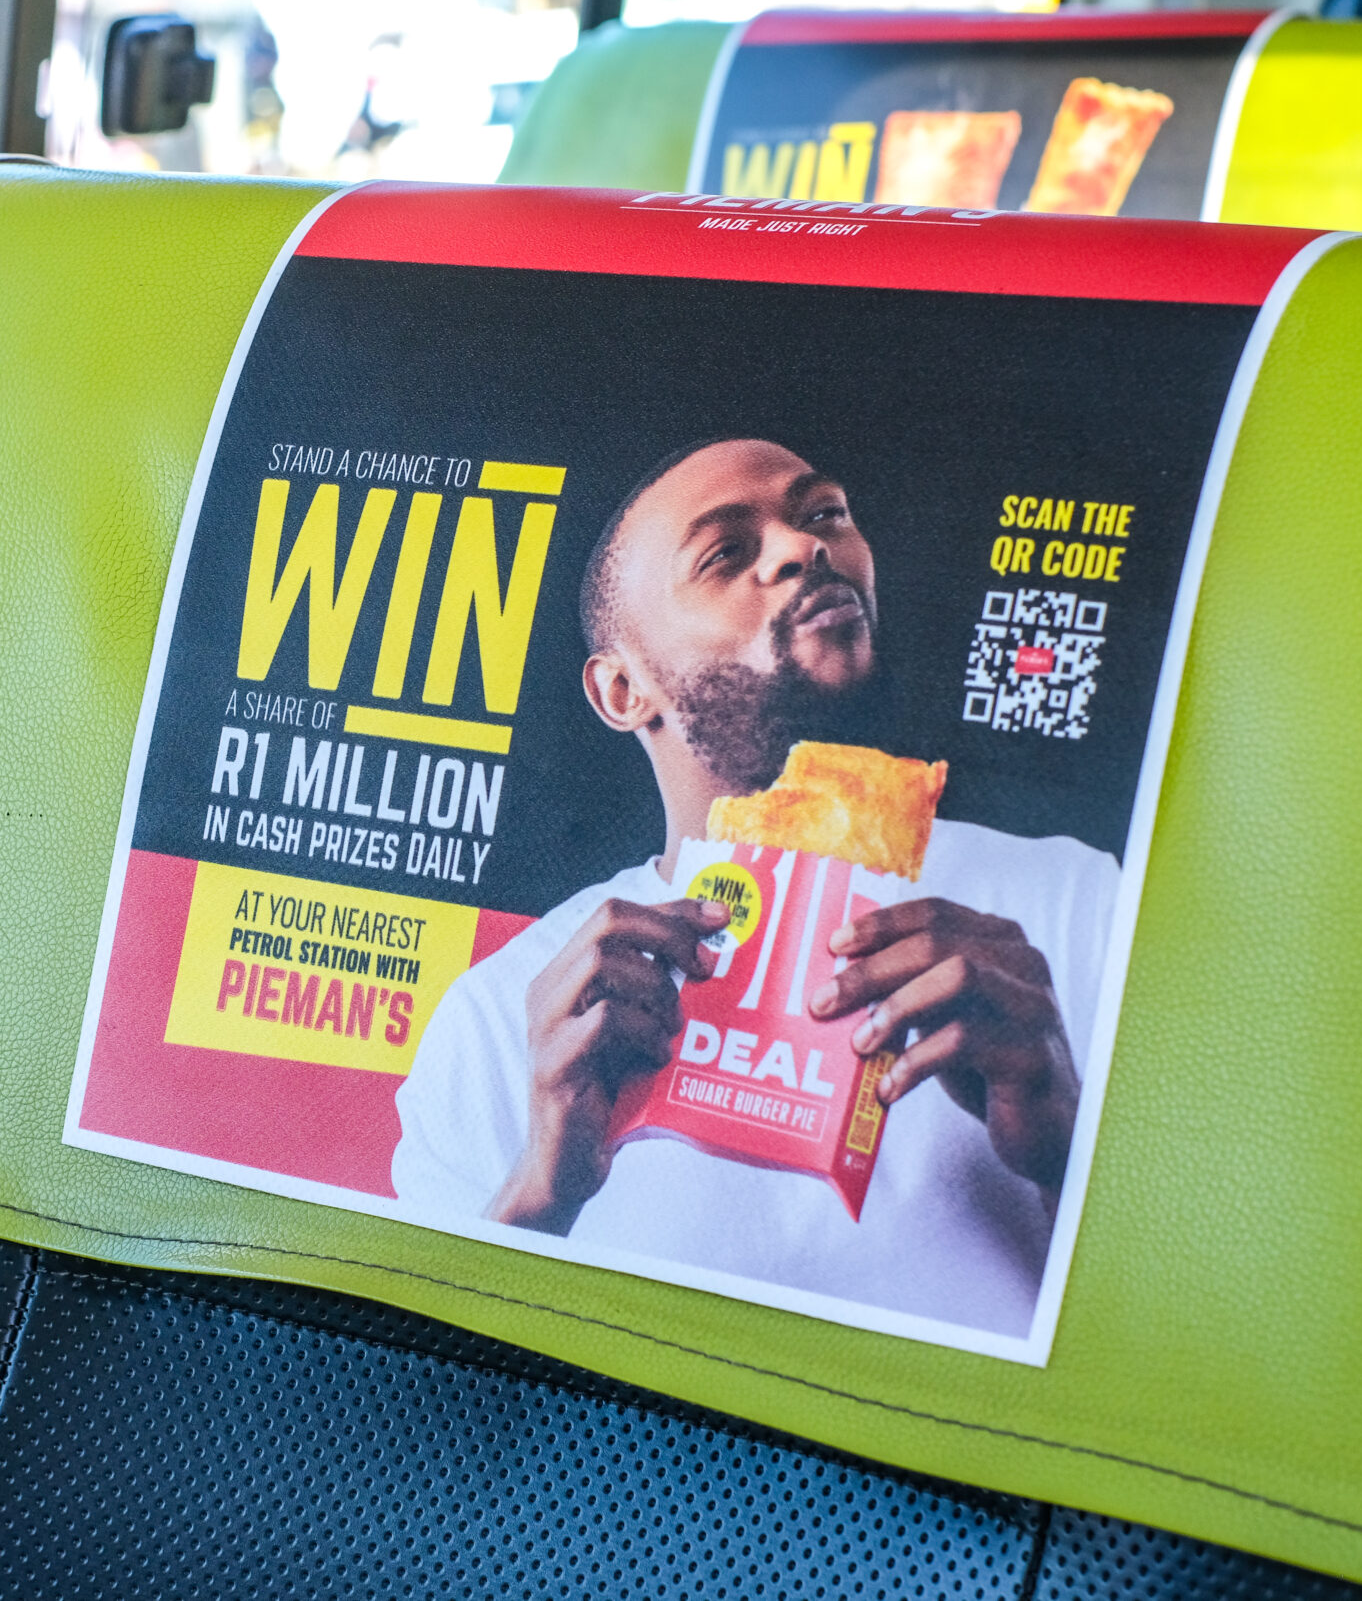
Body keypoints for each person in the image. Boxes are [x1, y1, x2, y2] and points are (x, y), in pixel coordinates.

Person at [390, 439, 1118, 1336]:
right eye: (724, 552)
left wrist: (1067, 1149)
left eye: (825, 514)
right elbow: (425, 1398)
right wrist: (539, 1194)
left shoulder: (1080, 905)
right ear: (623, 688)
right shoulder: (497, 1020)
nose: (804, 548)